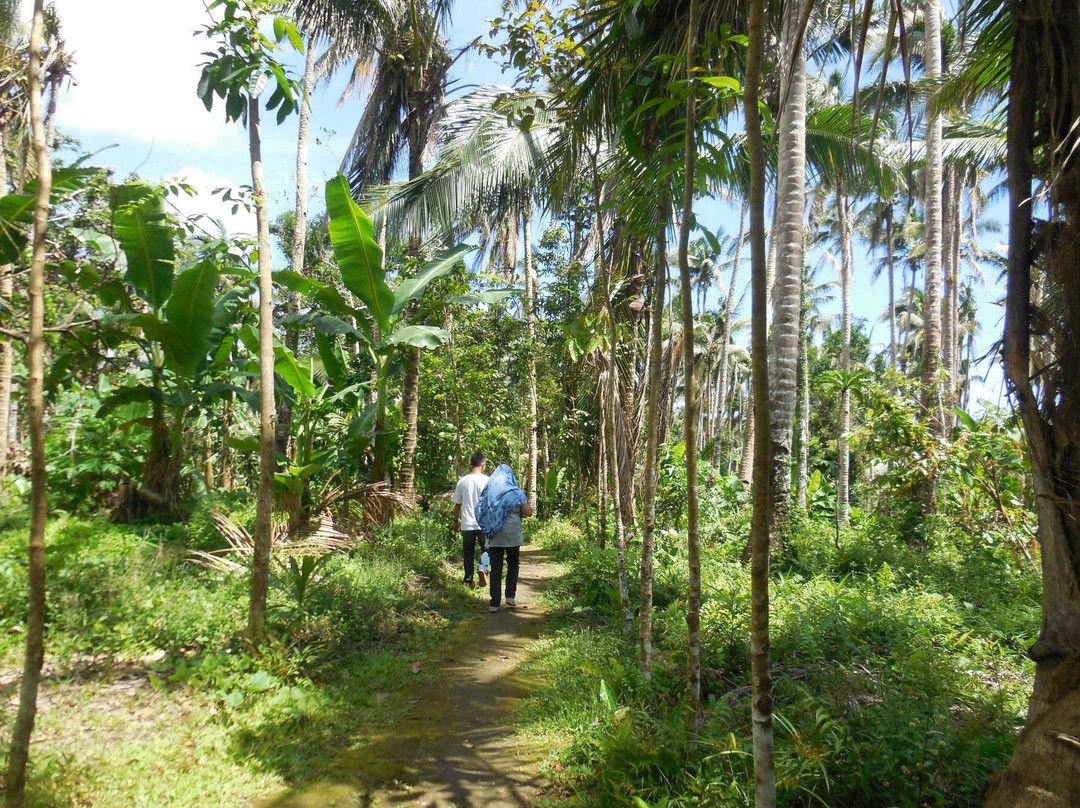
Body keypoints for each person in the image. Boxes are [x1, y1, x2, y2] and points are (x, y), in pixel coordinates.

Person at [475, 464, 534, 613]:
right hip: (513, 535)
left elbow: (481, 509)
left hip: (495, 534)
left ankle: (494, 603)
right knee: (513, 564)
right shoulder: (515, 492)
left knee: (496, 568)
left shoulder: (490, 492)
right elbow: (528, 512)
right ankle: (510, 596)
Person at [452, 451, 490, 587]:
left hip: (467, 524)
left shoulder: (462, 482)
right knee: (487, 548)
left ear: (470, 464)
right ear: (483, 465)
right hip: (484, 524)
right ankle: (483, 568)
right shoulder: (487, 481)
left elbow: (458, 504)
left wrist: (455, 521)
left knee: (468, 552)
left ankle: (468, 580)